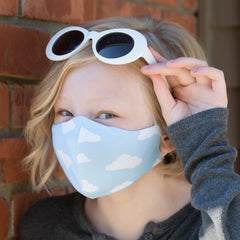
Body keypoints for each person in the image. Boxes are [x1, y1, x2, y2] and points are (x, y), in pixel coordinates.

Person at [19, 16, 239, 240]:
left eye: (107, 114)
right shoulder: (45, 227)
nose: (79, 133)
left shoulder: (218, 219)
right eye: (66, 112)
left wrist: (202, 138)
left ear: (168, 136)